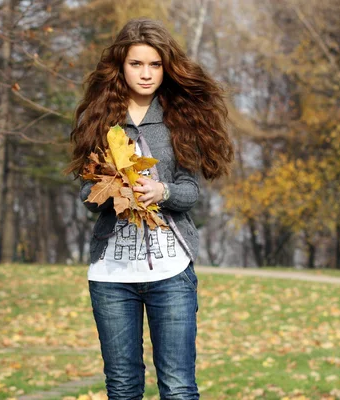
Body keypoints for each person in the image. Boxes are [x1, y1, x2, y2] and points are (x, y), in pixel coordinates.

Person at [66, 18, 234, 400]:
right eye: (136, 64)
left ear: (166, 67)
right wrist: (113, 190)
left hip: (172, 270)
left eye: (154, 65)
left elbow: (191, 193)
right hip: (111, 274)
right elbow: (86, 193)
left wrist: (161, 191)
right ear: (121, 67)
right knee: (123, 388)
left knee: (177, 388)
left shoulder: (181, 119)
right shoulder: (98, 119)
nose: (146, 74)